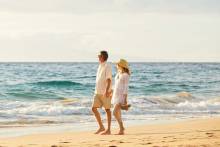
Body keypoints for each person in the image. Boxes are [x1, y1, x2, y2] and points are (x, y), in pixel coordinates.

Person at [92, 50, 112, 135]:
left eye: (99, 56)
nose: (98, 57)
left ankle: (108, 130)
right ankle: (101, 127)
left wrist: (107, 91)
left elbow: (108, 80)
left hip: (105, 92)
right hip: (97, 92)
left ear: (103, 57)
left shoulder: (107, 66)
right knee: (93, 108)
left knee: (107, 110)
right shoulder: (100, 66)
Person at [112, 59, 131, 135]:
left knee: (114, 112)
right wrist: (111, 92)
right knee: (118, 113)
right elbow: (116, 85)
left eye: (117, 64)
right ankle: (121, 130)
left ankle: (122, 127)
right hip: (115, 95)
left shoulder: (125, 75)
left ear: (121, 65)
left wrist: (125, 99)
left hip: (121, 96)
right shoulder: (118, 74)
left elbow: (126, 87)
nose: (116, 66)